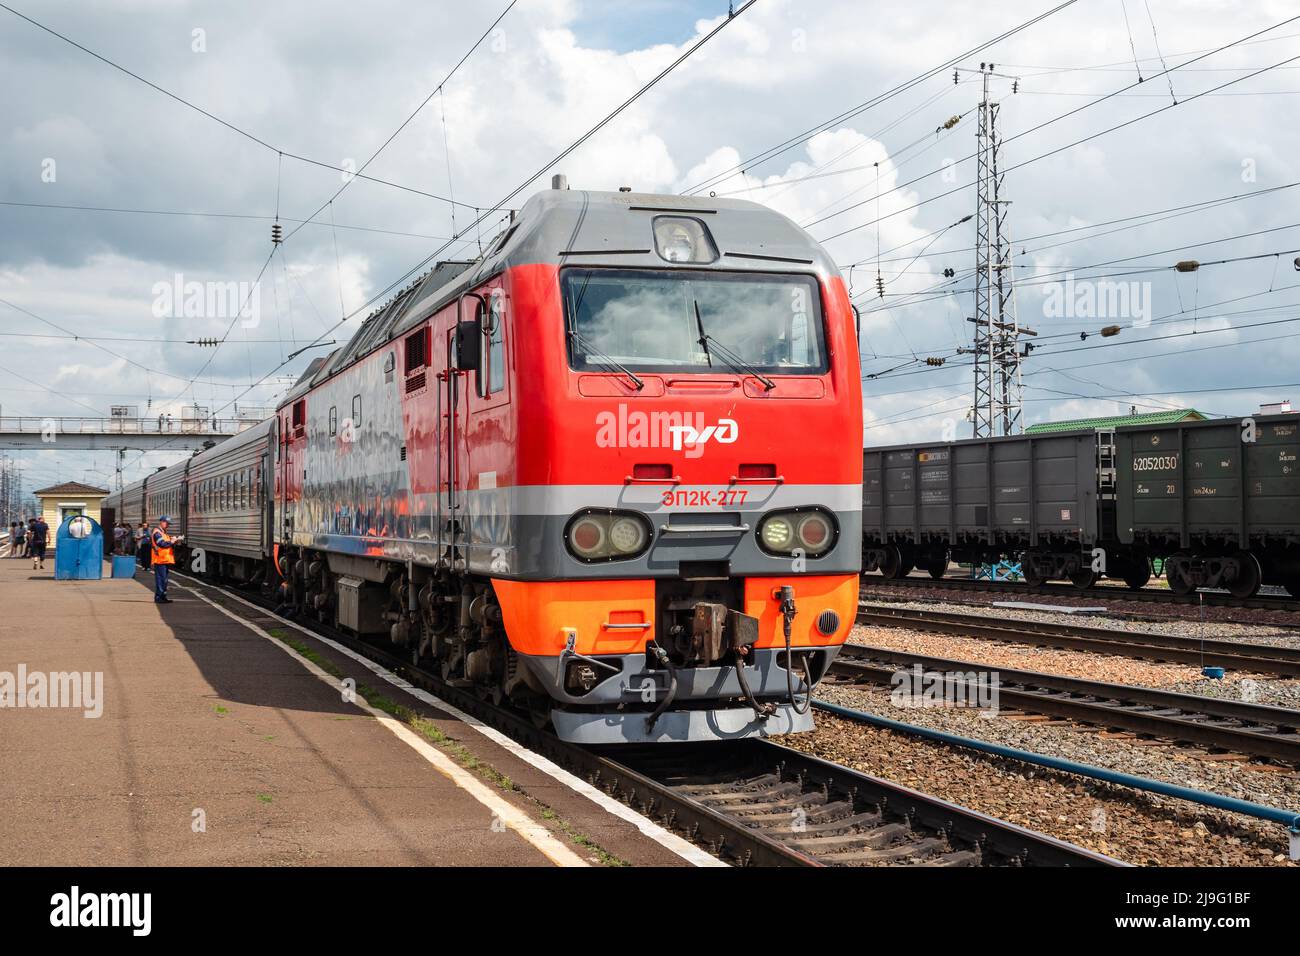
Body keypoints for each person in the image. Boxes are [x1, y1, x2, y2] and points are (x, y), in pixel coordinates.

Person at [150, 515, 182, 603]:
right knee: (161, 580)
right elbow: (162, 544)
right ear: (162, 522)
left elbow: (166, 543)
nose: (168, 525)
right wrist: (172, 541)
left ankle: (163, 597)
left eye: (168, 524)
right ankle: (159, 598)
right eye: (167, 523)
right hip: (160, 560)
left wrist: (173, 540)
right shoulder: (157, 533)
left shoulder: (163, 532)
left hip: (164, 560)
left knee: (164, 580)